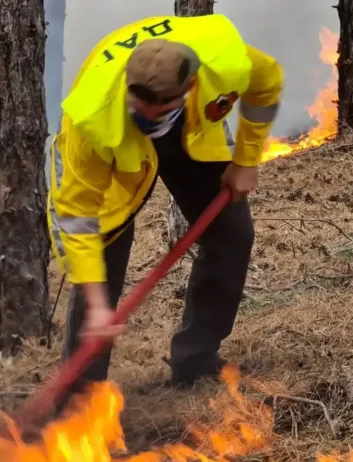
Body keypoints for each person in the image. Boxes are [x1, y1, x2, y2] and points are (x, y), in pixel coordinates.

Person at [46, 13, 283, 411]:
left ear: (190, 86)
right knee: (100, 267)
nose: (150, 116)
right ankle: (79, 403)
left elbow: (267, 83)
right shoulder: (92, 120)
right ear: (127, 87)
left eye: (161, 109)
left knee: (231, 235)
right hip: (116, 146)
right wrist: (99, 303)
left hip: (191, 132)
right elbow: (77, 214)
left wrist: (246, 160)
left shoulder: (225, 63)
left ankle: (197, 359)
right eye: (142, 107)